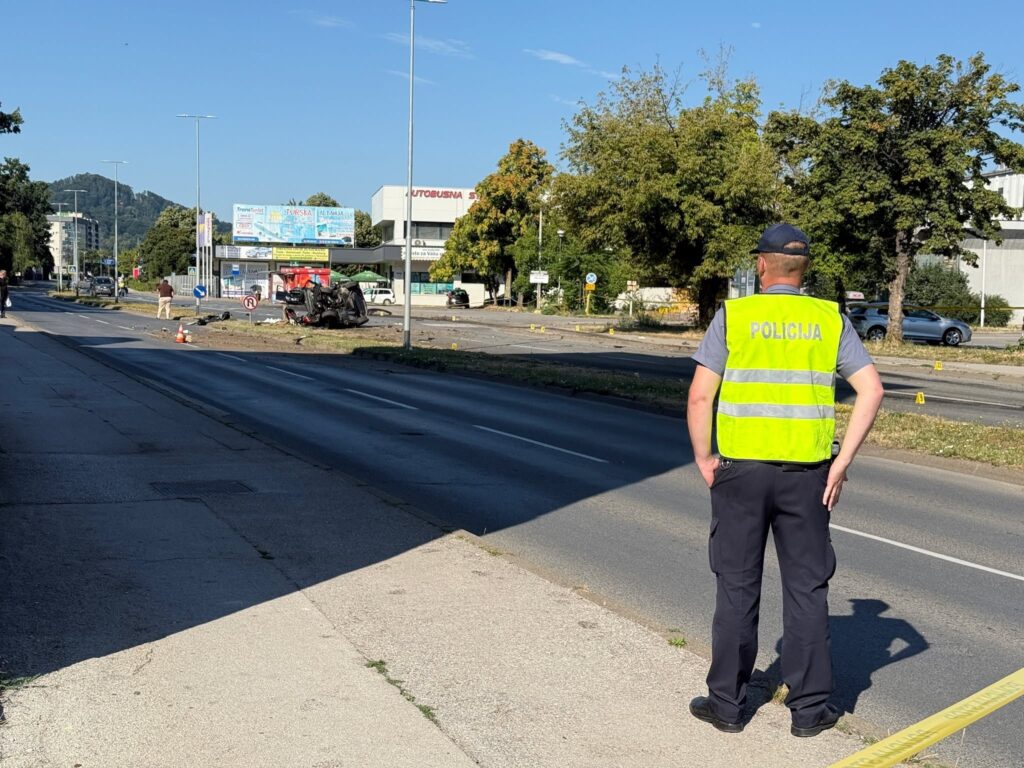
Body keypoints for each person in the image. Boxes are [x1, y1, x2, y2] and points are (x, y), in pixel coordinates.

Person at [686, 223, 884, 737]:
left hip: (739, 472)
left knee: (736, 586)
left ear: (761, 265)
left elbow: (700, 397)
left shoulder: (735, 316)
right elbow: (872, 390)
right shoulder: (828, 318)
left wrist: (705, 458)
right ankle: (810, 711)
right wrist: (841, 465)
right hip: (809, 476)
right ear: (804, 268)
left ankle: (727, 706)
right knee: (806, 590)